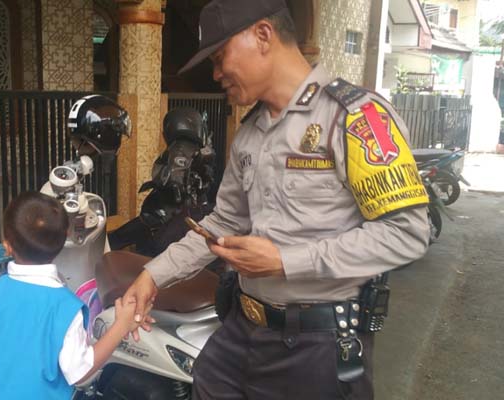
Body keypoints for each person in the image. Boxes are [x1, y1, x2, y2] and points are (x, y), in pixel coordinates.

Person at [123, 0, 431, 399]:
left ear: (263, 35)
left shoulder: (355, 117)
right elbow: (222, 224)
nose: (216, 74)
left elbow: (406, 232)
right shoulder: (250, 132)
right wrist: (152, 275)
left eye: (219, 57)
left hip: (317, 345)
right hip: (241, 331)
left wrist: (286, 261)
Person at [0, 191, 140, 399]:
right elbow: (79, 372)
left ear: (7, 246)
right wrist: (121, 325)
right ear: (65, 238)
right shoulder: (66, 307)